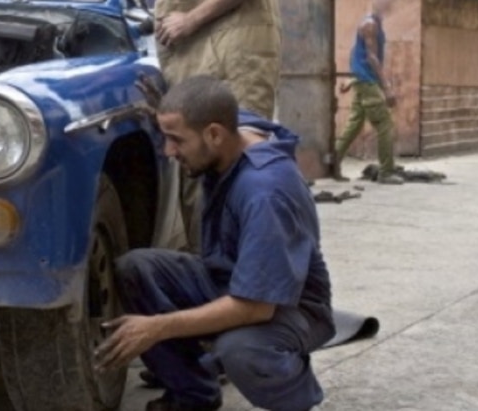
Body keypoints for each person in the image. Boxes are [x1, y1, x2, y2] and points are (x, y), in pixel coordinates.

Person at [96, 76, 334, 411]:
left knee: (242, 350)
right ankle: (194, 395)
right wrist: (165, 113)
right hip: (229, 277)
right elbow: (211, 105)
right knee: (135, 268)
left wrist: (157, 328)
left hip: (287, 306)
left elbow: (255, 307)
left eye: (176, 140)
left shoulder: (265, 192)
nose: (168, 151)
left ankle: (298, 400)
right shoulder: (231, 131)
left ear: (214, 135)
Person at [115, 0, 281, 252]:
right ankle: (214, 296)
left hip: (230, 71)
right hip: (204, 73)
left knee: (234, 182)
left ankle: (238, 299)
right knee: (205, 189)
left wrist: (191, 18)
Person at [332, 0, 401, 184]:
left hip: (362, 81)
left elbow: (357, 52)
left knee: (354, 125)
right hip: (368, 82)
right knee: (385, 124)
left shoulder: (374, 23)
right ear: (376, 1)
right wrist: (386, 87)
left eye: (390, 3)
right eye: (385, 2)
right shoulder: (370, 24)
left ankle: (332, 165)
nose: (388, 6)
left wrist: (352, 78)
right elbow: (370, 57)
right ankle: (386, 172)